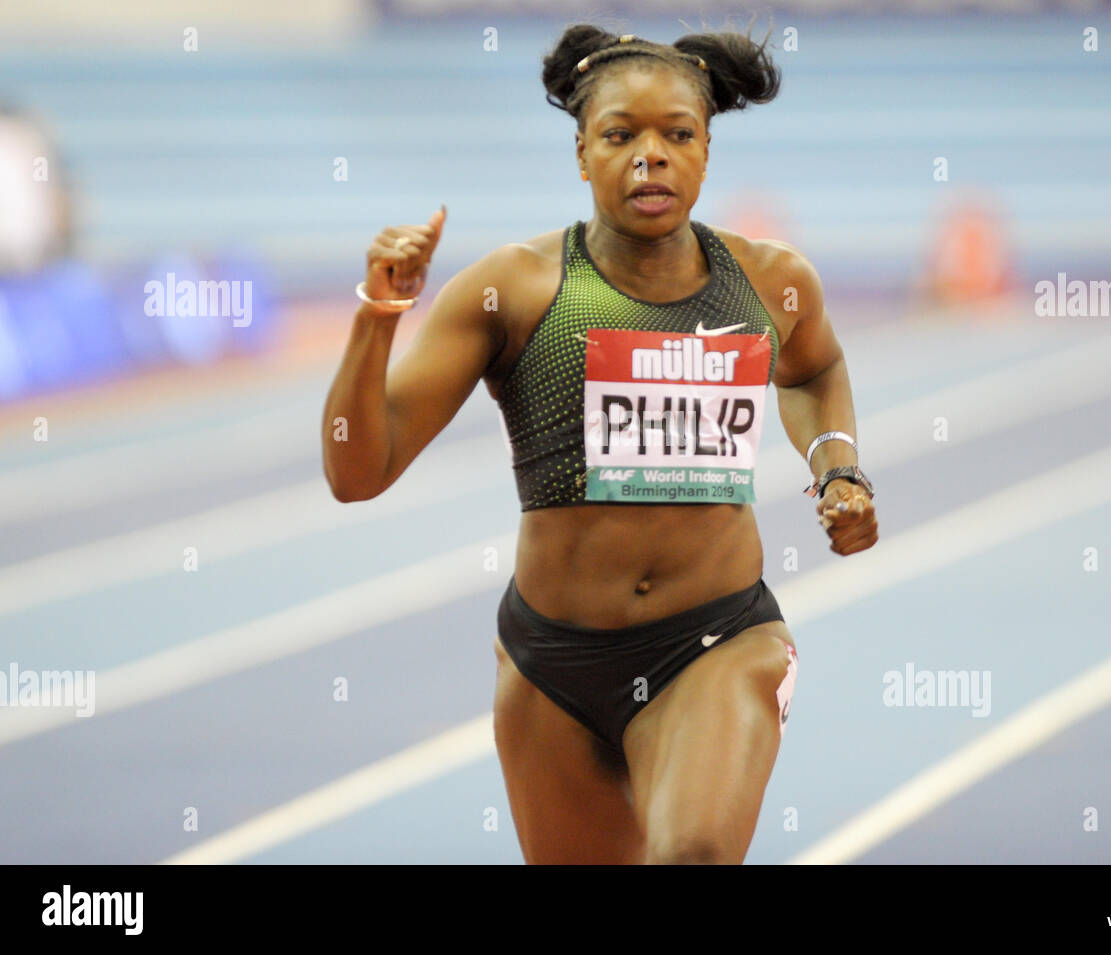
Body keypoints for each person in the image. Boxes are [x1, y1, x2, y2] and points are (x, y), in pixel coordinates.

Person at [321, 25, 878, 865]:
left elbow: (813, 367)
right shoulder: (514, 288)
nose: (649, 158)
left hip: (716, 640)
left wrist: (836, 464)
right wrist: (376, 316)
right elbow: (356, 471)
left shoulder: (771, 279)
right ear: (583, 153)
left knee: (690, 854)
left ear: (706, 149)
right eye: (621, 136)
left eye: (676, 135)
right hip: (552, 660)